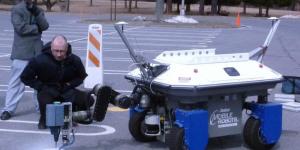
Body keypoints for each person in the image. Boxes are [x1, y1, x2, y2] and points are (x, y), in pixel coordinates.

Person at [20, 35, 89, 129]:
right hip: (47, 90)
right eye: (56, 51)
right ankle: (44, 119)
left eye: (62, 51)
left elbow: (81, 76)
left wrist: (70, 84)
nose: (59, 54)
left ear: (67, 48)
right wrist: (40, 86)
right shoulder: (39, 60)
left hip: (66, 89)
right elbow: (25, 77)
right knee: (45, 101)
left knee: (88, 100)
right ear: (51, 48)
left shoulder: (74, 60)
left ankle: (72, 117)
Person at [0, 0, 49, 120]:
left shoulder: (38, 10)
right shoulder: (17, 9)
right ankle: (8, 109)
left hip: (37, 52)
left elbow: (45, 26)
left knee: (40, 82)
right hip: (21, 52)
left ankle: (41, 107)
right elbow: (20, 28)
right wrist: (37, 28)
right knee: (16, 82)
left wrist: (36, 13)